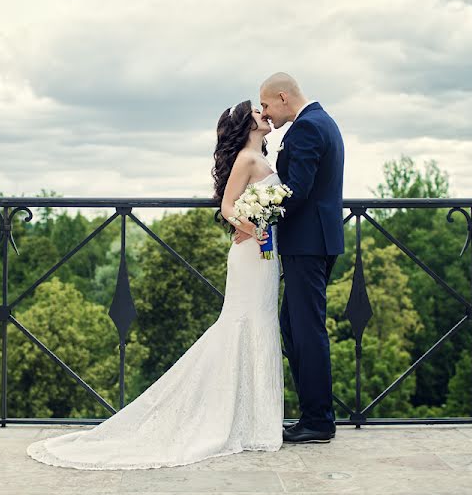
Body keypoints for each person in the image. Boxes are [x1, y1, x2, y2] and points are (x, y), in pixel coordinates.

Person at [27, 101, 284, 470]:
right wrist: (254, 230)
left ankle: (258, 421)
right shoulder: (246, 158)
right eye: (258, 112)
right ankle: (240, 421)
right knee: (242, 325)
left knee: (260, 324)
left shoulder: (259, 157)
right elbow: (228, 208)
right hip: (251, 253)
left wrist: (263, 230)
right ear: (247, 123)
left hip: (265, 255)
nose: (265, 115)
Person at [251, 72, 345, 444]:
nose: (266, 114)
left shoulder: (307, 127)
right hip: (316, 241)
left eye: (267, 105)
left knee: (307, 331)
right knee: (295, 325)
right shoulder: (322, 121)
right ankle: (313, 414)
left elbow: (298, 190)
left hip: (307, 243)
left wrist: (259, 210)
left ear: (282, 97)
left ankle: (319, 421)